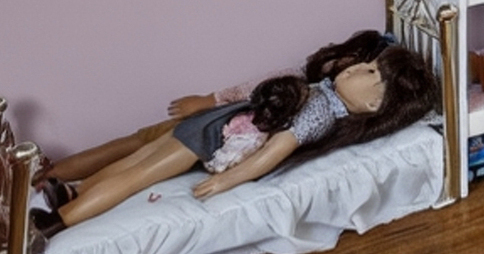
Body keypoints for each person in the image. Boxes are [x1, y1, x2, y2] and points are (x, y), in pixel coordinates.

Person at [34, 33, 439, 231]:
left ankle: (58, 221)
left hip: (215, 135)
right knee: (136, 162)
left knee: (138, 173)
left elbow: (275, 151)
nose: (357, 68)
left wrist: (227, 180)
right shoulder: (324, 91)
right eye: (367, 65)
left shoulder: (320, 113)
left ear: (373, 106)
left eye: (371, 74)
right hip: (217, 122)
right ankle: (72, 196)